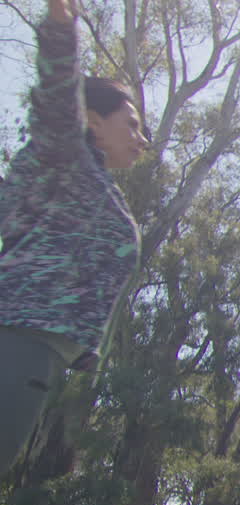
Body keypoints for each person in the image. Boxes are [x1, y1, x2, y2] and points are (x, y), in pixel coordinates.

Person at [0, 0, 149, 473]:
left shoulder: (79, 178)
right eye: (132, 125)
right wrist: (63, 23)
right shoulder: (65, 155)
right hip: (19, 340)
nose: (143, 139)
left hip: (35, 352)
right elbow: (56, 94)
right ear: (91, 121)